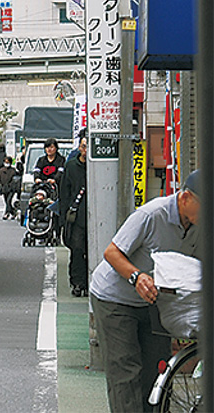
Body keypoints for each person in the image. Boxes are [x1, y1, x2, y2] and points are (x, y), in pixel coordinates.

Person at [89, 169, 202, 412]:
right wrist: (136, 276)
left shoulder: (199, 226)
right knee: (126, 372)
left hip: (153, 301)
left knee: (156, 370)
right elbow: (111, 252)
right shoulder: (151, 214)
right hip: (114, 299)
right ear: (185, 198)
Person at [59, 130, 88, 296]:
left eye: (88, 147)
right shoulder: (71, 166)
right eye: (83, 146)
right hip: (76, 218)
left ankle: (90, 282)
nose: (85, 150)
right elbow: (65, 194)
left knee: (92, 250)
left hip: (95, 217)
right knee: (77, 250)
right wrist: (63, 220)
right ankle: (77, 283)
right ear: (79, 147)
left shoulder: (98, 166)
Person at [0, 156, 19, 220]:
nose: (6, 163)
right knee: (6, 202)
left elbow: (15, 180)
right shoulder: (1, 170)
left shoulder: (13, 171)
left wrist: (13, 186)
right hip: (4, 188)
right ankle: (13, 212)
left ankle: (6, 214)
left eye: (8, 162)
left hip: (11, 188)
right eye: (5, 162)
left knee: (8, 201)